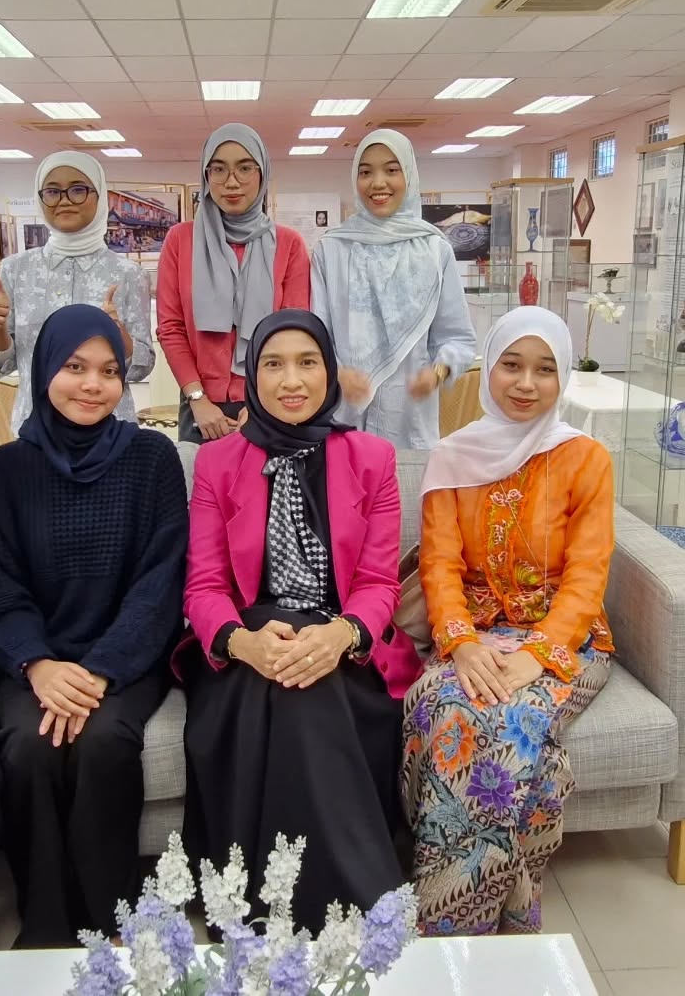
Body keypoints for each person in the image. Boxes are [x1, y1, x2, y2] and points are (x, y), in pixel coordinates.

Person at [179, 309, 420, 930]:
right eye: (273, 364)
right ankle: (358, 896)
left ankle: (269, 905)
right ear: (252, 377)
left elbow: (378, 583)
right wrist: (241, 642)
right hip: (245, 641)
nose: (292, 380)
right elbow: (204, 586)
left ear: (329, 372)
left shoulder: (371, 458)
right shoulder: (217, 462)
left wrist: (342, 634)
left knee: (312, 687)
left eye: (308, 362)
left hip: (344, 634)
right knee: (283, 686)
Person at [0, 304, 189, 948]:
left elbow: (159, 583)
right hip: (35, 658)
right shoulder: (2, 470)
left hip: (125, 656)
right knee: (28, 745)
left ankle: (109, 920)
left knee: (102, 744)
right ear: (44, 369)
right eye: (74, 367)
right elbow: (0, 585)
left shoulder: (152, 458)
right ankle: (45, 924)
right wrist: (38, 665)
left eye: (108, 371)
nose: (92, 385)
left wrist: (100, 670)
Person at [401, 306, 615, 936]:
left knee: (513, 720)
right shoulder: (452, 457)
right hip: (470, 636)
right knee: (441, 705)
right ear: (488, 369)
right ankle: (508, 910)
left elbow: (588, 573)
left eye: (545, 370)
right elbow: (440, 565)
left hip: (566, 641)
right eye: (511, 366)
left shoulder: (585, 458)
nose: (526, 383)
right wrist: (462, 645)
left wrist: (535, 654)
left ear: (563, 377)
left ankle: (448, 923)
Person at [312, 129, 477, 450]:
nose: (378, 183)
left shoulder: (434, 250)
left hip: (410, 418)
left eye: (391, 170)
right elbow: (317, 333)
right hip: (345, 413)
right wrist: (336, 372)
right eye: (365, 172)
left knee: (406, 481)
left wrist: (438, 372)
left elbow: (457, 337)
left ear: (409, 175)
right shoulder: (331, 249)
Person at [157, 124, 310, 444]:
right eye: (218, 169)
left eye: (244, 168)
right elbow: (171, 328)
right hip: (199, 408)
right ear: (205, 175)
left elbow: (292, 335)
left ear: (262, 173)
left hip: (268, 405)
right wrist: (197, 399)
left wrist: (261, 404)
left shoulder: (289, 244)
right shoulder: (181, 240)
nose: (231, 181)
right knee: (196, 478)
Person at [0, 150, 153, 430]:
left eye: (77, 190)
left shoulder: (128, 274)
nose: (64, 200)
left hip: (108, 427)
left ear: (99, 195)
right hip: (36, 427)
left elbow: (140, 367)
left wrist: (119, 334)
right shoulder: (15, 270)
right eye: (52, 192)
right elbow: (4, 364)